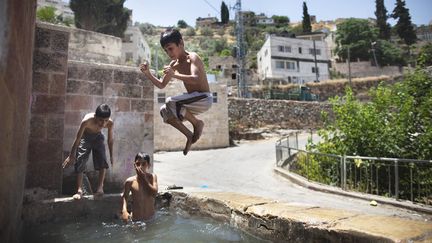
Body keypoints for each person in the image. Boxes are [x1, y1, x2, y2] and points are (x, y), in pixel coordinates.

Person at [140, 28, 212, 155]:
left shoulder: (193, 58)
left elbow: (196, 79)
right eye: (166, 50)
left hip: (204, 98)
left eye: (170, 48)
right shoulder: (173, 65)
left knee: (170, 101)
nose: (168, 53)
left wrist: (174, 75)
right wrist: (147, 73)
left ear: (180, 43)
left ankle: (197, 123)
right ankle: (189, 135)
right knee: (164, 111)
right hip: (192, 101)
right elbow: (162, 85)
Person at [62, 104, 114, 200]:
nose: (103, 124)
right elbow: (78, 139)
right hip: (85, 138)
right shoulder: (87, 121)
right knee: (80, 160)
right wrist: (71, 155)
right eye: (100, 120)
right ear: (95, 117)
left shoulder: (110, 123)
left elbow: (110, 140)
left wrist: (111, 155)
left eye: (106, 120)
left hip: (98, 137)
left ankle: (100, 187)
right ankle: (79, 190)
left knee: (102, 160)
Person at [120, 152, 158, 222]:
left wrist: (144, 179)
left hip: (151, 219)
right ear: (134, 165)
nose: (140, 167)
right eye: (138, 164)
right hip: (136, 220)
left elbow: (154, 193)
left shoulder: (152, 177)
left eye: (143, 164)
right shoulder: (130, 181)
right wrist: (124, 210)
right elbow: (125, 197)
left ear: (148, 165)